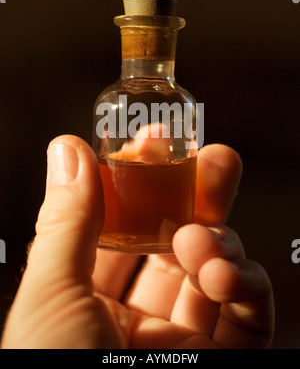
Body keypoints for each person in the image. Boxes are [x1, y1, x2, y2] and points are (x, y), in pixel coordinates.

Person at [0, 135, 274, 349]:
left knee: (205, 250)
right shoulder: (114, 102)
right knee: (205, 252)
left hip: (173, 249)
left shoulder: (177, 103)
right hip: (156, 248)